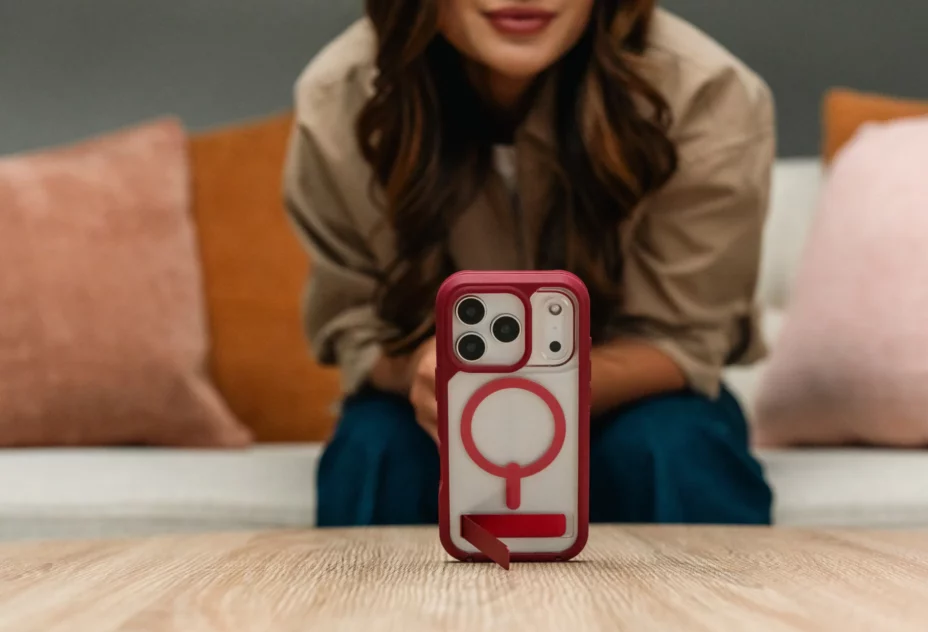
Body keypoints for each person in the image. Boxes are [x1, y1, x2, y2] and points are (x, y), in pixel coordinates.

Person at [284, 0, 775, 528]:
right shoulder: (341, 95)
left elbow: (687, 339)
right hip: (430, 406)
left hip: (636, 399)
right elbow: (356, 324)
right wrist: (428, 373)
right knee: (376, 449)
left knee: (669, 447)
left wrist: (526, 390)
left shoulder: (706, 93)